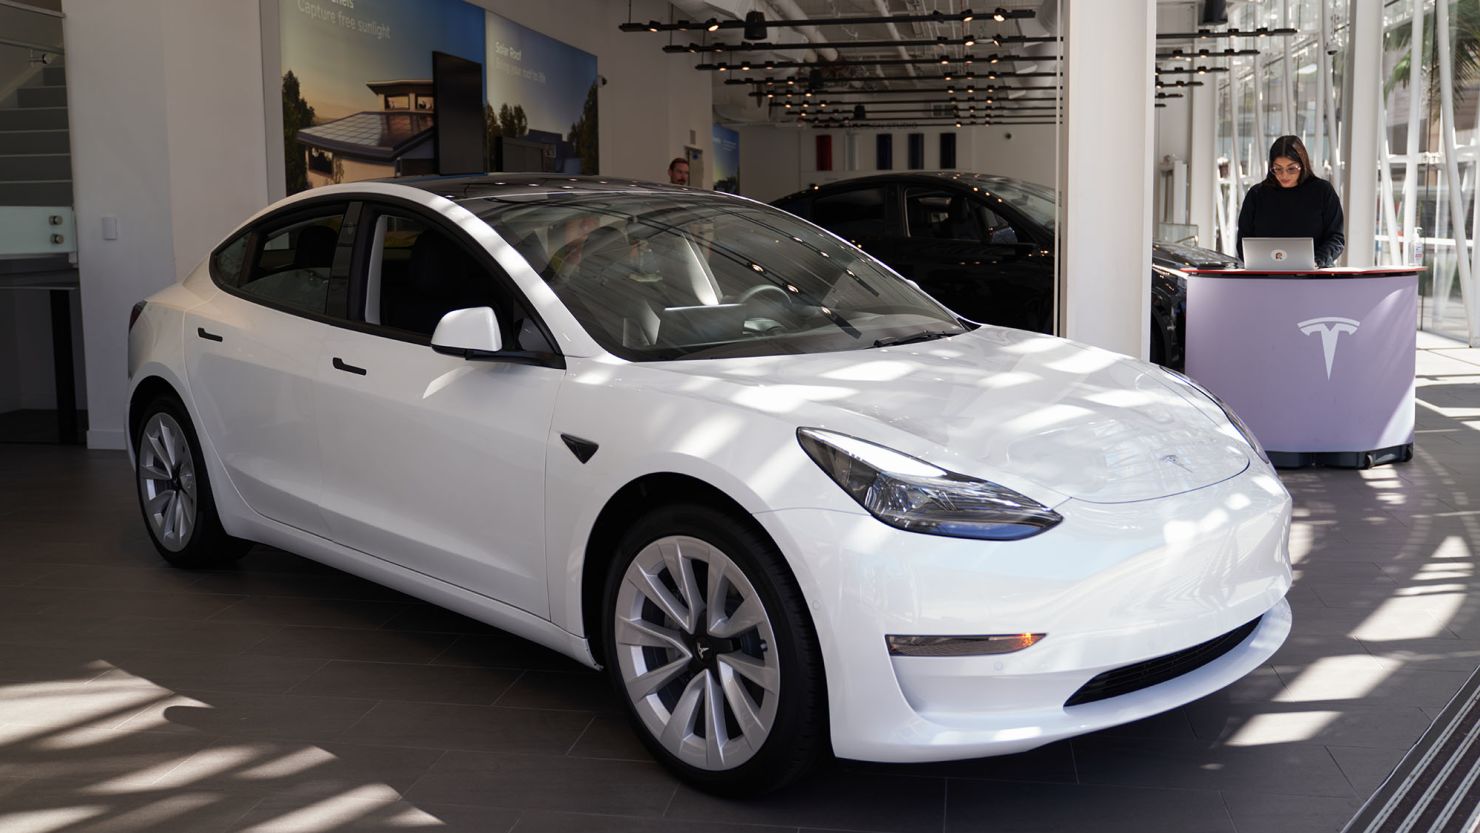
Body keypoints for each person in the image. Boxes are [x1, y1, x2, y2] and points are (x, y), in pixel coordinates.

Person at [1237, 135, 1345, 267]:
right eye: (1278, 169)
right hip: (1265, 276)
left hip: (1314, 277)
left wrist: (1318, 260)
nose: (1284, 175)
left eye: (1291, 169)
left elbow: (1336, 238)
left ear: (1303, 164)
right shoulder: (1257, 195)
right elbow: (1243, 241)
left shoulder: (1322, 191)